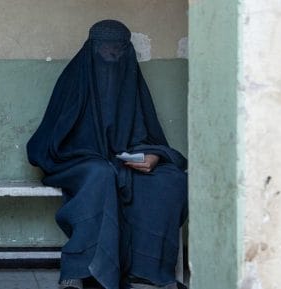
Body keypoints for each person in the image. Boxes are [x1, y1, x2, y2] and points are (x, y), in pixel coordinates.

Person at [26, 20, 187, 289]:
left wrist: (153, 156)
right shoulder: (73, 81)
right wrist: (92, 154)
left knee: (170, 180)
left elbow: (148, 136)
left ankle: (147, 268)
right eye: (105, 48)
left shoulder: (131, 81)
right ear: (92, 49)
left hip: (121, 160)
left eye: (119, 49)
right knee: (100, 175)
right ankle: (86, 270)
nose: (113, 56)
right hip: (76, 161)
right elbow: (50, 141)